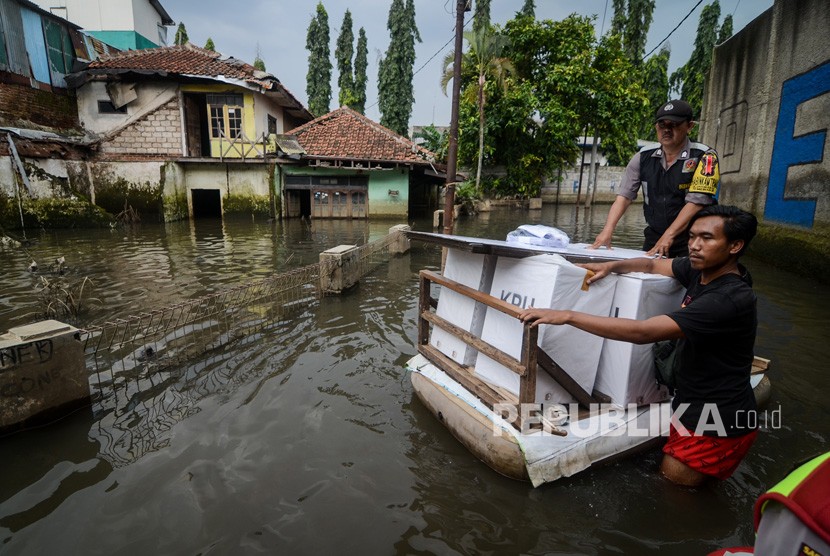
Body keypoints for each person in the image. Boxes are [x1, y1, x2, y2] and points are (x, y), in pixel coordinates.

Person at [520, 205, 759, 486]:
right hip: (693, 403)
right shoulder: (702, 271)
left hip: (716, 418)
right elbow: (651, 264)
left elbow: (643, 332)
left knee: (674, 493)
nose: (694, 245)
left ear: (735, 245)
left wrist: (567, 315)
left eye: (707, 238)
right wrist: (611, 266)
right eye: (692, 236)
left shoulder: (728, 299)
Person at [591, 99, 721, 258]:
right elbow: (624, 197)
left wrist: (669, 235)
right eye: (662, 125)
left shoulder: (706, 156)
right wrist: (607, 230)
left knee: (691, 278)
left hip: (694, 239)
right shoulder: (643, 157)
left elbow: (696, 202)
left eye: (674, 125)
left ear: (689, 126)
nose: (666, 130)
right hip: (655, 235)